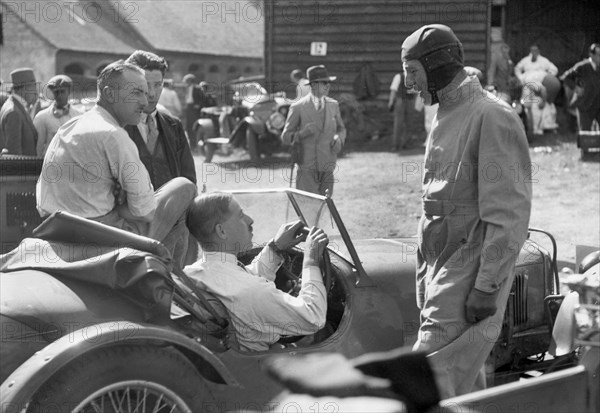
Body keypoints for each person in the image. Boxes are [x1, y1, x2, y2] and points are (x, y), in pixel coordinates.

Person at [401, 24, 532, 398]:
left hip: (469, 262)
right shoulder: (447, 109)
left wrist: (486, 285)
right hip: (436, 258)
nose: (409, 83)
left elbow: (508, 215)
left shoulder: (492, 116)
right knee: (460, 377)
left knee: (425, 374)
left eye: (413, 72)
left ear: (437, 65)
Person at [36, 60, 196, 263]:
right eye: (136, 92)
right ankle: (172, 281)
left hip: (59, 230)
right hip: (105, 238)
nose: (145, 102)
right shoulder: (113, 135)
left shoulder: (70, 126)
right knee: (184, 187)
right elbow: (145, 211)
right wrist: (121, 207)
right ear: (110, 94)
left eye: (146, 94)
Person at [184, 192, 329, 352]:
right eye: (240, 215)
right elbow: (314, 317)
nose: (249, 220)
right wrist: (311, 261)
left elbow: (243, 279)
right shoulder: (247, 291)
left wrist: (275, 249)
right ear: (221, 231)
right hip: (257, 369)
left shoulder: (193, 272)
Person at [124, 50, 198, 264]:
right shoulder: (118, 127)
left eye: (159, 85)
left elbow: (188, 178)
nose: (152, 93)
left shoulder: (172, 125)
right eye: (147, 85)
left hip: (176, 230)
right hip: (135, 234)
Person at [281, 65, 346, 196]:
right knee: (308, 207)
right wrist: (302, 133)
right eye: (325, 83)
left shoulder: (333, 105)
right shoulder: (298, 107)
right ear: (313, 85)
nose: (328, 86)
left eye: (329, 83)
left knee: (325, 206)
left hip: (328, 164)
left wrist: (338, 138)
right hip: (306, 167)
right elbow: (285, 137)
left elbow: (341, 128)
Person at [514, 44, 559, 135]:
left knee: (543, 107)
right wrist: (520, 78)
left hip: (540, 84)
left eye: (535, 50)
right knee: (527, 107)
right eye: (532, 50)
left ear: (539, 51)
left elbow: (554, 70)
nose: (533, 52)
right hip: (528, 88)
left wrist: (545, 76)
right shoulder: (525, 61)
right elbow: (517, 69)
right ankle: (530, 128)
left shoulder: (544, 61)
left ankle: (544, 127)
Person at [34, 75, 82, 157]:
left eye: (62, 91)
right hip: (50, 164)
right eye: (56, 92)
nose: (59, 96)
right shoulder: (42, 117)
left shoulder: (79, 116)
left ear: (69, 92)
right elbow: (38, 146)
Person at [560, 43, 600, 133]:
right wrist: (576, 87)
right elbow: (565, 77)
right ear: (591, 55)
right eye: (599, 55)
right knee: (585, 133)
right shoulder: (582, 66)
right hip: (585, 105)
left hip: (598, 104)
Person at [0, 68, 38, 155]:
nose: (36, 91)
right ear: (25, 87)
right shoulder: (14, 112)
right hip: (21, 168)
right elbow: (14, 156)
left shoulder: (15, 106)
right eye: (34, 86)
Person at [388, 72, 419, 150]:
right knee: (399, 123)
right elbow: (393, 90)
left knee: (409, 123)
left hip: (410, 100)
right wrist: (391, 101)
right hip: (400, 100)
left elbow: (416, 91)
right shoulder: (398, 76)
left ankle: (406, 144)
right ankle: (395, 145)